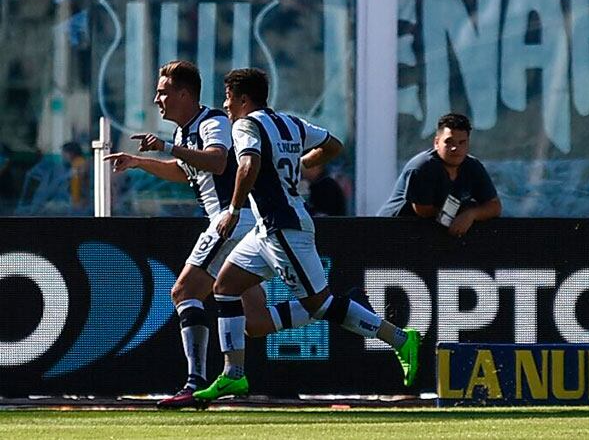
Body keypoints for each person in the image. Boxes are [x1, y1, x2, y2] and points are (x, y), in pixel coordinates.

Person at [192, 68, 421, 401]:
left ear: (243, 98)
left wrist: (234, 209)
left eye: (228, 97)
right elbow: (333, 145)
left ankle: (400, 338)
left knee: (320, 305)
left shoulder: (245, 125)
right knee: (224, 287)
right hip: (266, 228)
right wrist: (300, 164)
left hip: (283, 226)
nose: (225, 105)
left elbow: (248, 164)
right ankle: (233, 374)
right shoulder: (291, 123)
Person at [104, 61, 314, 408]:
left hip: (230, 221)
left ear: (184, 94)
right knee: (256, 323)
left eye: (163, 92)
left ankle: (194, 382)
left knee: (184, 290)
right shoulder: (184, 132)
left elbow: (216, 162)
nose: (157, 99)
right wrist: (140, 162)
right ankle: (337, 306)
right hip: (247, 225)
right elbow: (184, 171)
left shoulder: (212, 122)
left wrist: (167, 149)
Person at [376, 113, 501, 237]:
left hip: (435, 235)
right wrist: (461, 212)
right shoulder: (423, 166)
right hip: (393, 232)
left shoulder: (473, 167)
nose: (454, 148)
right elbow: (423, 210)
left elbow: (494, 206)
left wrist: (471, 215)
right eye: (449, 142)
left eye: (461, 142)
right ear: (436, 143)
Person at [61, 141, 89, 213]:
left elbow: (79, 185)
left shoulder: (78, 164)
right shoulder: (76, 164)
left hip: (80, 203)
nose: (63, 156)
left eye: (64, 153)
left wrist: (77, 202)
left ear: (71, 153)